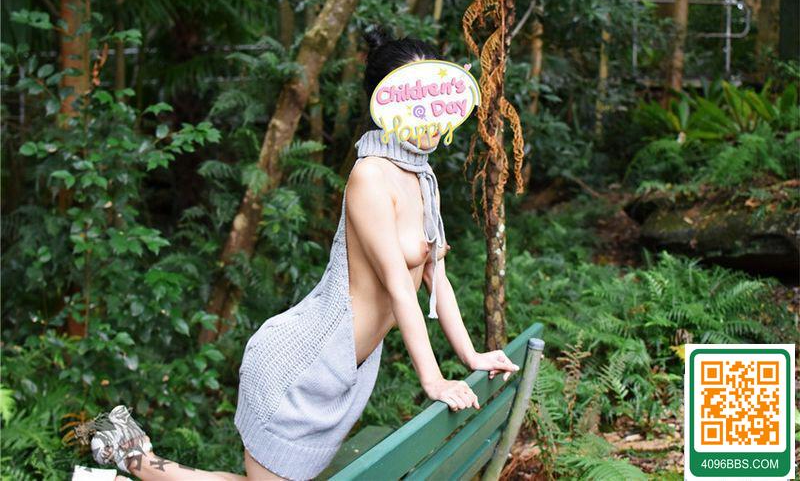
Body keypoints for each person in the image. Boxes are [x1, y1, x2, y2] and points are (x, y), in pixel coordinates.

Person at [89, 25, 519, 481]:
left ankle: (129, 453)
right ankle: (132, 457)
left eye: (435, 100)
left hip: (341, 373)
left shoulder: (421, 178)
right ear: (385, 104)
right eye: (414, 101)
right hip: (300, 364)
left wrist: (472, 356)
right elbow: (398, 286)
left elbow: (437, 278)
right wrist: (432, 379)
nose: (429, 117)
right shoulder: (371, 177)